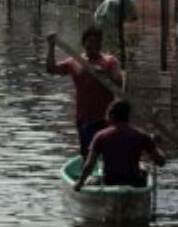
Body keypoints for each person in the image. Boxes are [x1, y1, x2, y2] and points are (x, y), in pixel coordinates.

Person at [46, 27, 124, 157]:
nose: (93, 45)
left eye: (96, 42)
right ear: (84, 43)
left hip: (106, 118)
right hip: (84, 118)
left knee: (109, 155)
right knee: (86, 154)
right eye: (90, 41)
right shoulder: (75, 61)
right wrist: (51, 46)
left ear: (100, 44)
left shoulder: (110, 62)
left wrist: (104, 74)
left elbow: (119, 84)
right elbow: (51, 69)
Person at [74, 101, 165, 190]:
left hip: (110, 182)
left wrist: (79, 183)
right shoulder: (142, 135)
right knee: (143, 168)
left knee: (90, 179)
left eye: (107, 115)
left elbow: (89, 166)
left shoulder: (101, 135)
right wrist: (156, 146)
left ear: (112, 116)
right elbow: (160, 162)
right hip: (135, 182)